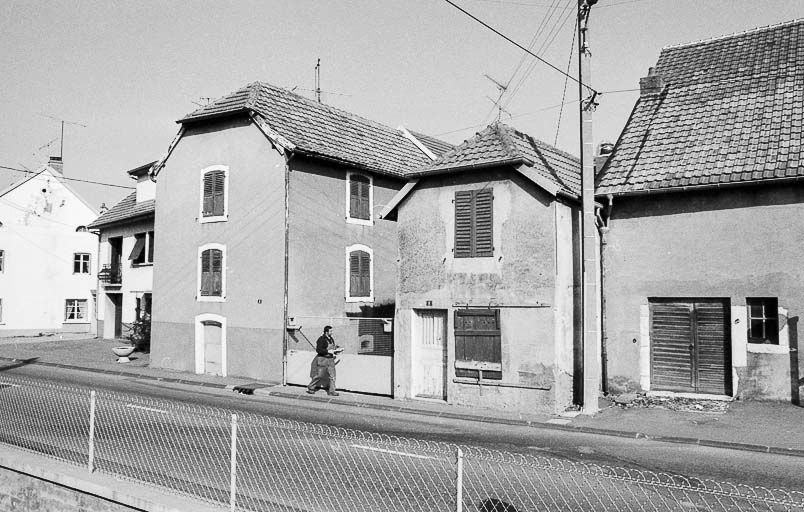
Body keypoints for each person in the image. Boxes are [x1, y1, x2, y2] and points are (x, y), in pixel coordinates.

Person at [307, 325, 340, 396]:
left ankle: (332, 391)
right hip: (322, 359)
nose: (332, 332)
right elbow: (318, 350)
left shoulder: (331, 339)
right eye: (331, 331)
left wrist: (336, 350)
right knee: (320, 375)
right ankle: (311, 387)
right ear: (326, 332)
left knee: (332, 376)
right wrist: (328, 351)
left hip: (330, 359)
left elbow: (331, 349)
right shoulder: (321, 339)